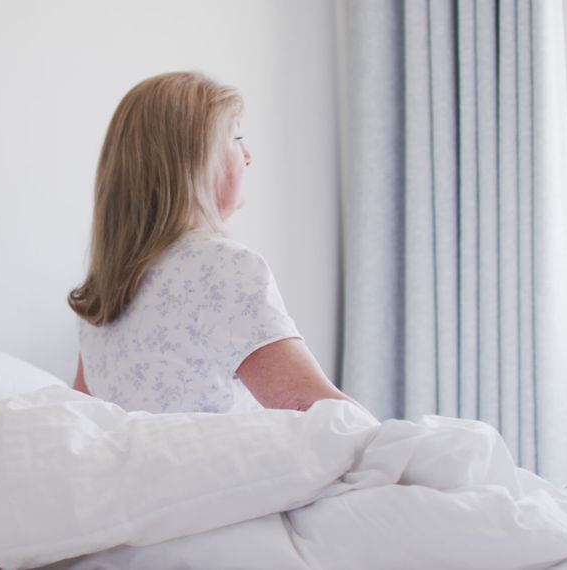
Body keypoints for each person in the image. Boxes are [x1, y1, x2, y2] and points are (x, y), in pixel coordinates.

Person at [68, 71, 361, 415]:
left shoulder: (99, 295)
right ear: (195, 161)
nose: (248, 156)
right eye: (236, 137)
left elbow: (85, 417)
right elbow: (314, 408)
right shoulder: (223, 267)